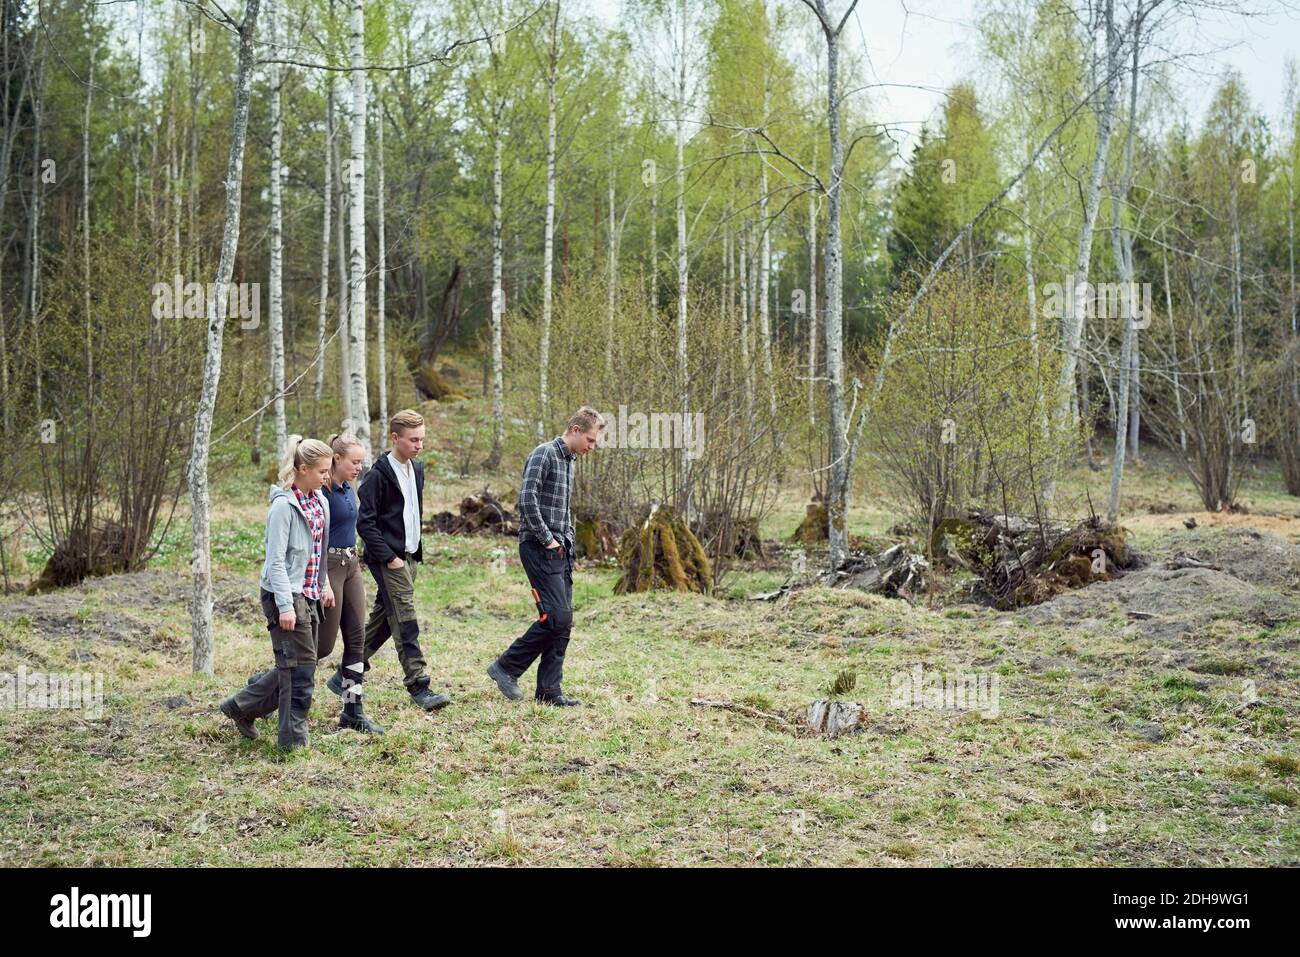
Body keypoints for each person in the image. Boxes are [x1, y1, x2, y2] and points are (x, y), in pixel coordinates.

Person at [242, 433, 383, 734]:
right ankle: (260, 690)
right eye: (353, 462)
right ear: (335, 460)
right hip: (327, 569)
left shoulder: (345, 490)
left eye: (361, 461)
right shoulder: (320, 492)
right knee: (319, 649)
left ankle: (352, 708)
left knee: (356, 640)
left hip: (350, 564)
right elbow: (305, 544)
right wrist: (323, 583)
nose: (359, 467)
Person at [220, 436, 336, 749]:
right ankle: (292, 742)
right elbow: (275, 563)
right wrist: (286, 606)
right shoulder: (284, 507)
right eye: (322, 471)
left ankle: (241, 707)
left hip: (308, 593)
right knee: (299, 670)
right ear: (302, 469)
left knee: (298, 665)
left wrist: (323, 584)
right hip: (284, 594)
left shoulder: (320, 502)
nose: (328, 476)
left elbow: (317, 552)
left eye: (329, 470)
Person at [333, 409, 450, 712]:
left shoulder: (418, 469)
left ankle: (343, 676)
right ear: (395, 438)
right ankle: (419, 685)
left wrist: (410, 555)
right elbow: (366, 524)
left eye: (422, 440)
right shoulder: (377, 475)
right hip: (389, 560)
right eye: (413, 440)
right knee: (405, 621)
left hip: (410, 557)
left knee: (385, 621)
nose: (419, 445)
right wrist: (390, 558)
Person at [486, 406, 603, 707]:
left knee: (564, 621)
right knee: (556, 617)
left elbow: (560, 509)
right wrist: (548, 539)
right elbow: (527, 500)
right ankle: (506, 667)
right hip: (539, 546)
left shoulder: (570, 461)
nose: (592, 446)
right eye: (590, 439)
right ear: (575, 430)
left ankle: (550, 691)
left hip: (561, 548)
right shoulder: (544, 453)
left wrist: (566, 542)